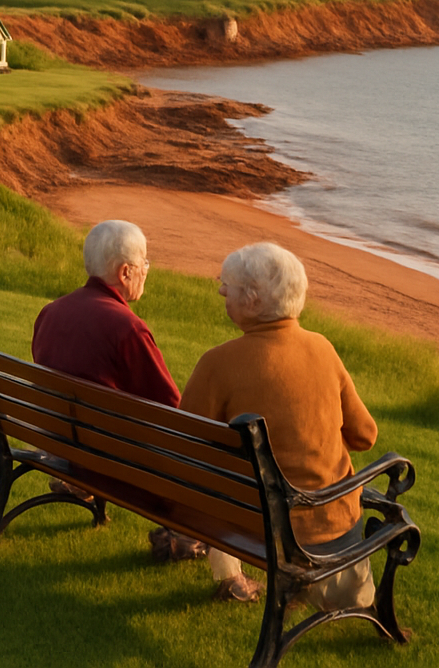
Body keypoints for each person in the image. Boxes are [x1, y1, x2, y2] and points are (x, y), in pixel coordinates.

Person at [181, 242, 379, 605]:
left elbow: (186, 443)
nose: (222, 291)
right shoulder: (322, 348)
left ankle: (229, 575)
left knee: (226, 477)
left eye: (228, 286)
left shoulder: (217, 363)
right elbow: (365, 435)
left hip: (249, 528)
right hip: (329, 520)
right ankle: (351, 599)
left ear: (253, 300)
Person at [30, 219, 180, 407]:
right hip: (101, 436)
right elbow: (171, 407)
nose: (145, 270)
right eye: (144, 263)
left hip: (50, 433)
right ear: (125, 272)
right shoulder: (128, 329)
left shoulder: (50, 313)